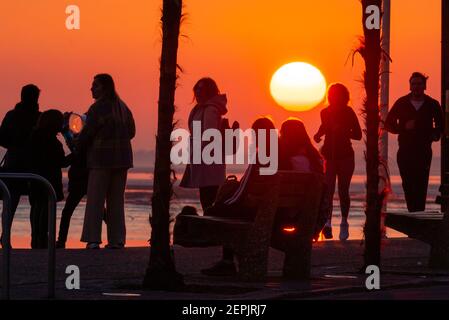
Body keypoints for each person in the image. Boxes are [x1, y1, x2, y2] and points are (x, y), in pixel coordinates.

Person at [200, 117, 277, 276]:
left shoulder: (260, 156)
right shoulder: (277, 155)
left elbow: (242, 190)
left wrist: (223, 204)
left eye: (254, 134)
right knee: (225, 210)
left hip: (254, 211)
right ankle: (229, 260)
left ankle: (228, 262)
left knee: (218, 212)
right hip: (272, 212)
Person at [76, 74, 135, 249]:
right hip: (122, 160)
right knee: (116, 201)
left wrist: (78, 146)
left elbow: (88, 133)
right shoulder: (123, 107)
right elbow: (132, 132)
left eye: (95, 85)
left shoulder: (97, 108)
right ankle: (117, 239)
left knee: (95, 200)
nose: (91, 88)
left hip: (101, 159)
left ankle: (93, 238)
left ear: (105, 88)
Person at [385, 72, 443, 212]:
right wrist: (403, 127)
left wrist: (434, 136)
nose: (416, 86)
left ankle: (419, 215)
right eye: (413, 84)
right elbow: (388, 124)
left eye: (419, 84)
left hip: (423, 152)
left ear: (425, 86)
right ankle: (413, 213)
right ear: (410, 86)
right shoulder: (402, 103)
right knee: (408, 185)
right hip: (405, 151)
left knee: (421, 185)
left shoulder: (432, 104)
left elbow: (441, 125)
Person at [314, 83, 362, 240]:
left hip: (345, 156)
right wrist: (318, 134)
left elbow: (358, 135)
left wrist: (343, 131)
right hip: (329, 155)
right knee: (327, 191)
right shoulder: (325, 112)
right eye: (332, 95)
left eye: (338, 95)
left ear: (344, 97)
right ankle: (327, 223)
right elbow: (324, 126)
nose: (334, 98)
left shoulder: (348, 112)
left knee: (343, 190)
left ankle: (344, 222)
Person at [0, 84, 41, 245]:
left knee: (11, 202)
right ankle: (35, 238)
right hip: (34, 165)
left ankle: (6, 236)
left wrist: (13, 145)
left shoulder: (12, 115)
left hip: (15, 163)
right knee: (35, 204)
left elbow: (2, 138)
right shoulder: (39, 117)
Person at [180, 78, 229, 212]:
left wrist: (198, 151)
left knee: (208, 198)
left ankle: (210, 228)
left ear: (209, 91)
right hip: (206, 160)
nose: (198, 92)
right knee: (207, 197)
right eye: (196, 88)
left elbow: (210, 135)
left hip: (208, 161)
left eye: (201, 89)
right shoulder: (202, 108)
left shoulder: (210, 110)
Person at [29, 110, 71, 249]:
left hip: (34, 179)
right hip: (49, 180)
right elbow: (61, 162)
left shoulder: (33, 137)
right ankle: (43, 239)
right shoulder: (53, 142)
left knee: (35, 208)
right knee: (45, 210)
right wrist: (75, 154)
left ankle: (35, 239)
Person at [56, 113, 89, 248]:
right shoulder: (86, 139)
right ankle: (61, 240)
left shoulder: (81, 141)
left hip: (79, 179)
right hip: (84, 178)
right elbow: (71, 142)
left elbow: (71, 144)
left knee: (67, 211)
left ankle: (61, 241)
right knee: (98, 210)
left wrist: (65, 126)